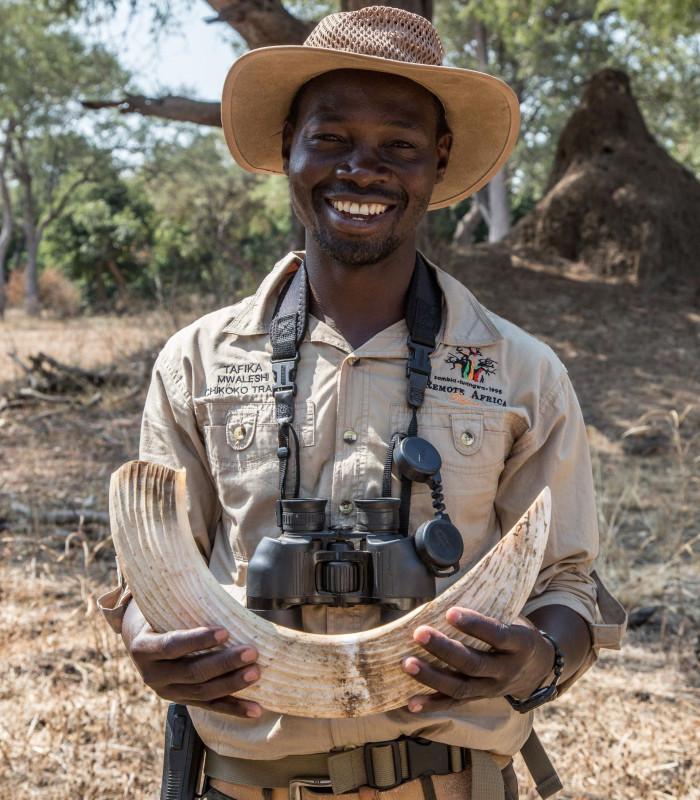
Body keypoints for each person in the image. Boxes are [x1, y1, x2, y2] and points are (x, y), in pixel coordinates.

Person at [99, 7, 625, 800]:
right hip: (246, 782)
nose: (362, 170)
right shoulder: (197, 362)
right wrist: (149, 643)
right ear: (289, 149)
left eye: (400, 146)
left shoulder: (523, 373)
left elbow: (567, 582)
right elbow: (155, 569)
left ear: (438, 163)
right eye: (332, 138)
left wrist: (540, 657)